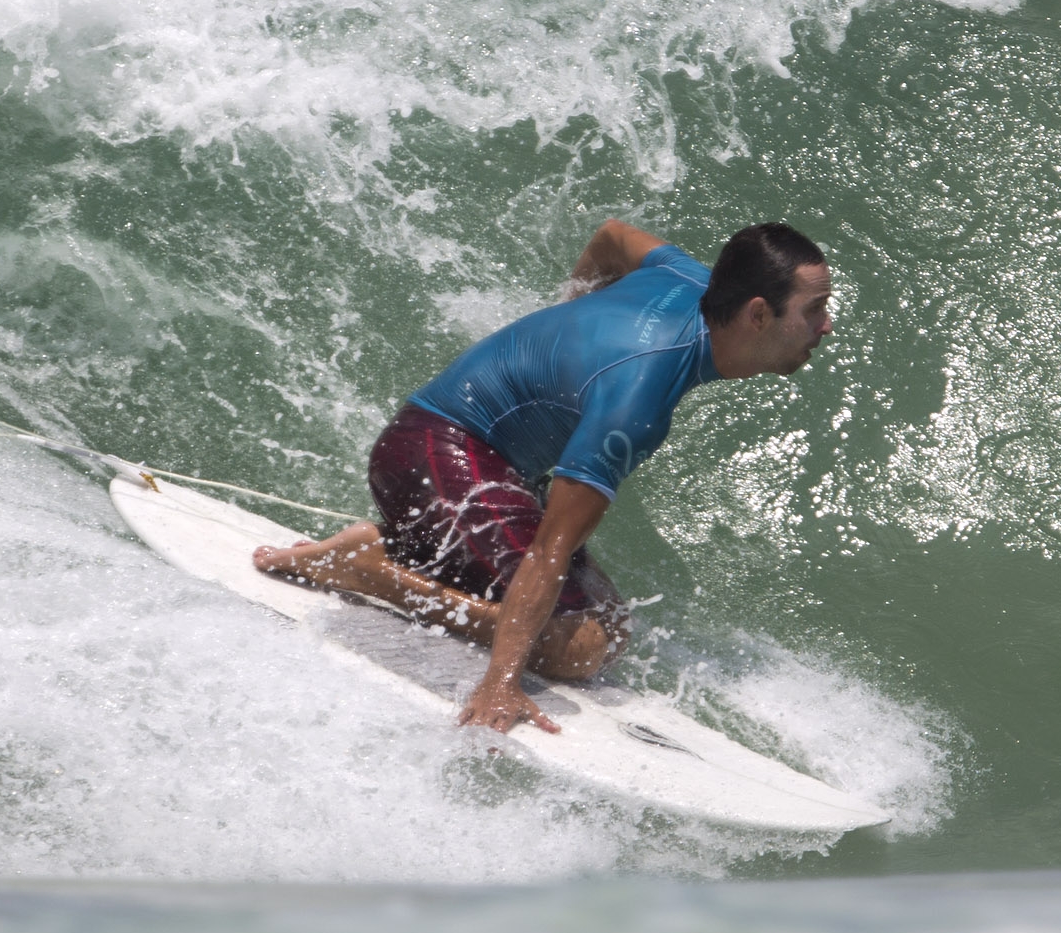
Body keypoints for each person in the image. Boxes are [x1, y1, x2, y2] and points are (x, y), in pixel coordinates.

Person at [253, 220, 833, 735]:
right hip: (433, 452)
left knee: (610, 620)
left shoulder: (689, 279)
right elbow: (552, 551)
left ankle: (400, 548)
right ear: (757, 313)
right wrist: (501, 680)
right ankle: (369, 570)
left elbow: (613, 236)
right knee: (582, 647)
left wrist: (569, 312)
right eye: (813, 310)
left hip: (479, 460)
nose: (825, 326)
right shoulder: (637, 398)